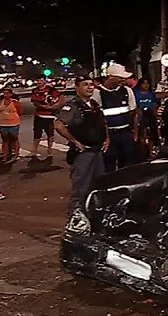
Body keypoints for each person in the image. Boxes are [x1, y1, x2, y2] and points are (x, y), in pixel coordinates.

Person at [54, 76, 109, 215]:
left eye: (91, 84)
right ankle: (76, 219)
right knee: (81, 189)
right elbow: (59, 125)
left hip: (97, 151)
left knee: (98, 185)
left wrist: (106, 139)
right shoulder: (73, 106)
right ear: (77, 87)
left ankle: (93, 216)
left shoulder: (94, 104)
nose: (90, 87)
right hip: (84, 154)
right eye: (85, 85)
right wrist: (75, 141)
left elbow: (103, 123)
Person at [91, 64, 137, 173]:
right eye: (120, 77)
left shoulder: (127, 91)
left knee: (127, 165)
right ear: (110, 77)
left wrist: (134, 134)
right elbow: (97, 117)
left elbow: (133, 112)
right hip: (108, 136)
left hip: (125, 133)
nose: (123, 80)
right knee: (108, 165)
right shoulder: (97, 93)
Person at [30, 75, 65, 159]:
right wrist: (45, 106)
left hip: (50, 116)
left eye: (41, 80)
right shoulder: (35, 91)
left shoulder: (51, 90)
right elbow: (35, 102)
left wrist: (56, 106)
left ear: (45, 81)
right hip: (39, 115)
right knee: (37, 133)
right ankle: (34, 150)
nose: (39, 82)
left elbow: (61, 97)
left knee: (50, 133)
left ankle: (50, 149)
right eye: (38, 80)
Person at [133, 77, 160, 160]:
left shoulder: (150, 94)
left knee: (153, 131)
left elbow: (154, 104)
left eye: (147, 83)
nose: (146, 85)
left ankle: (153, 148)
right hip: (141, 116)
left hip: (150, 115)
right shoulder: (135, 93)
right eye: (144, 83)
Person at [0, 88, 22, 162]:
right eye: (4, 93)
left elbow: (20, 111)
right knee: (5, 140)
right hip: (3, 124)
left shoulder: (15, 102)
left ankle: (16, 154)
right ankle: (5, 155)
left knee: (14, 139)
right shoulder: (0, 102)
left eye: (7, 93)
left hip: (13, 123)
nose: (6, 95)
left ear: (11, 94)